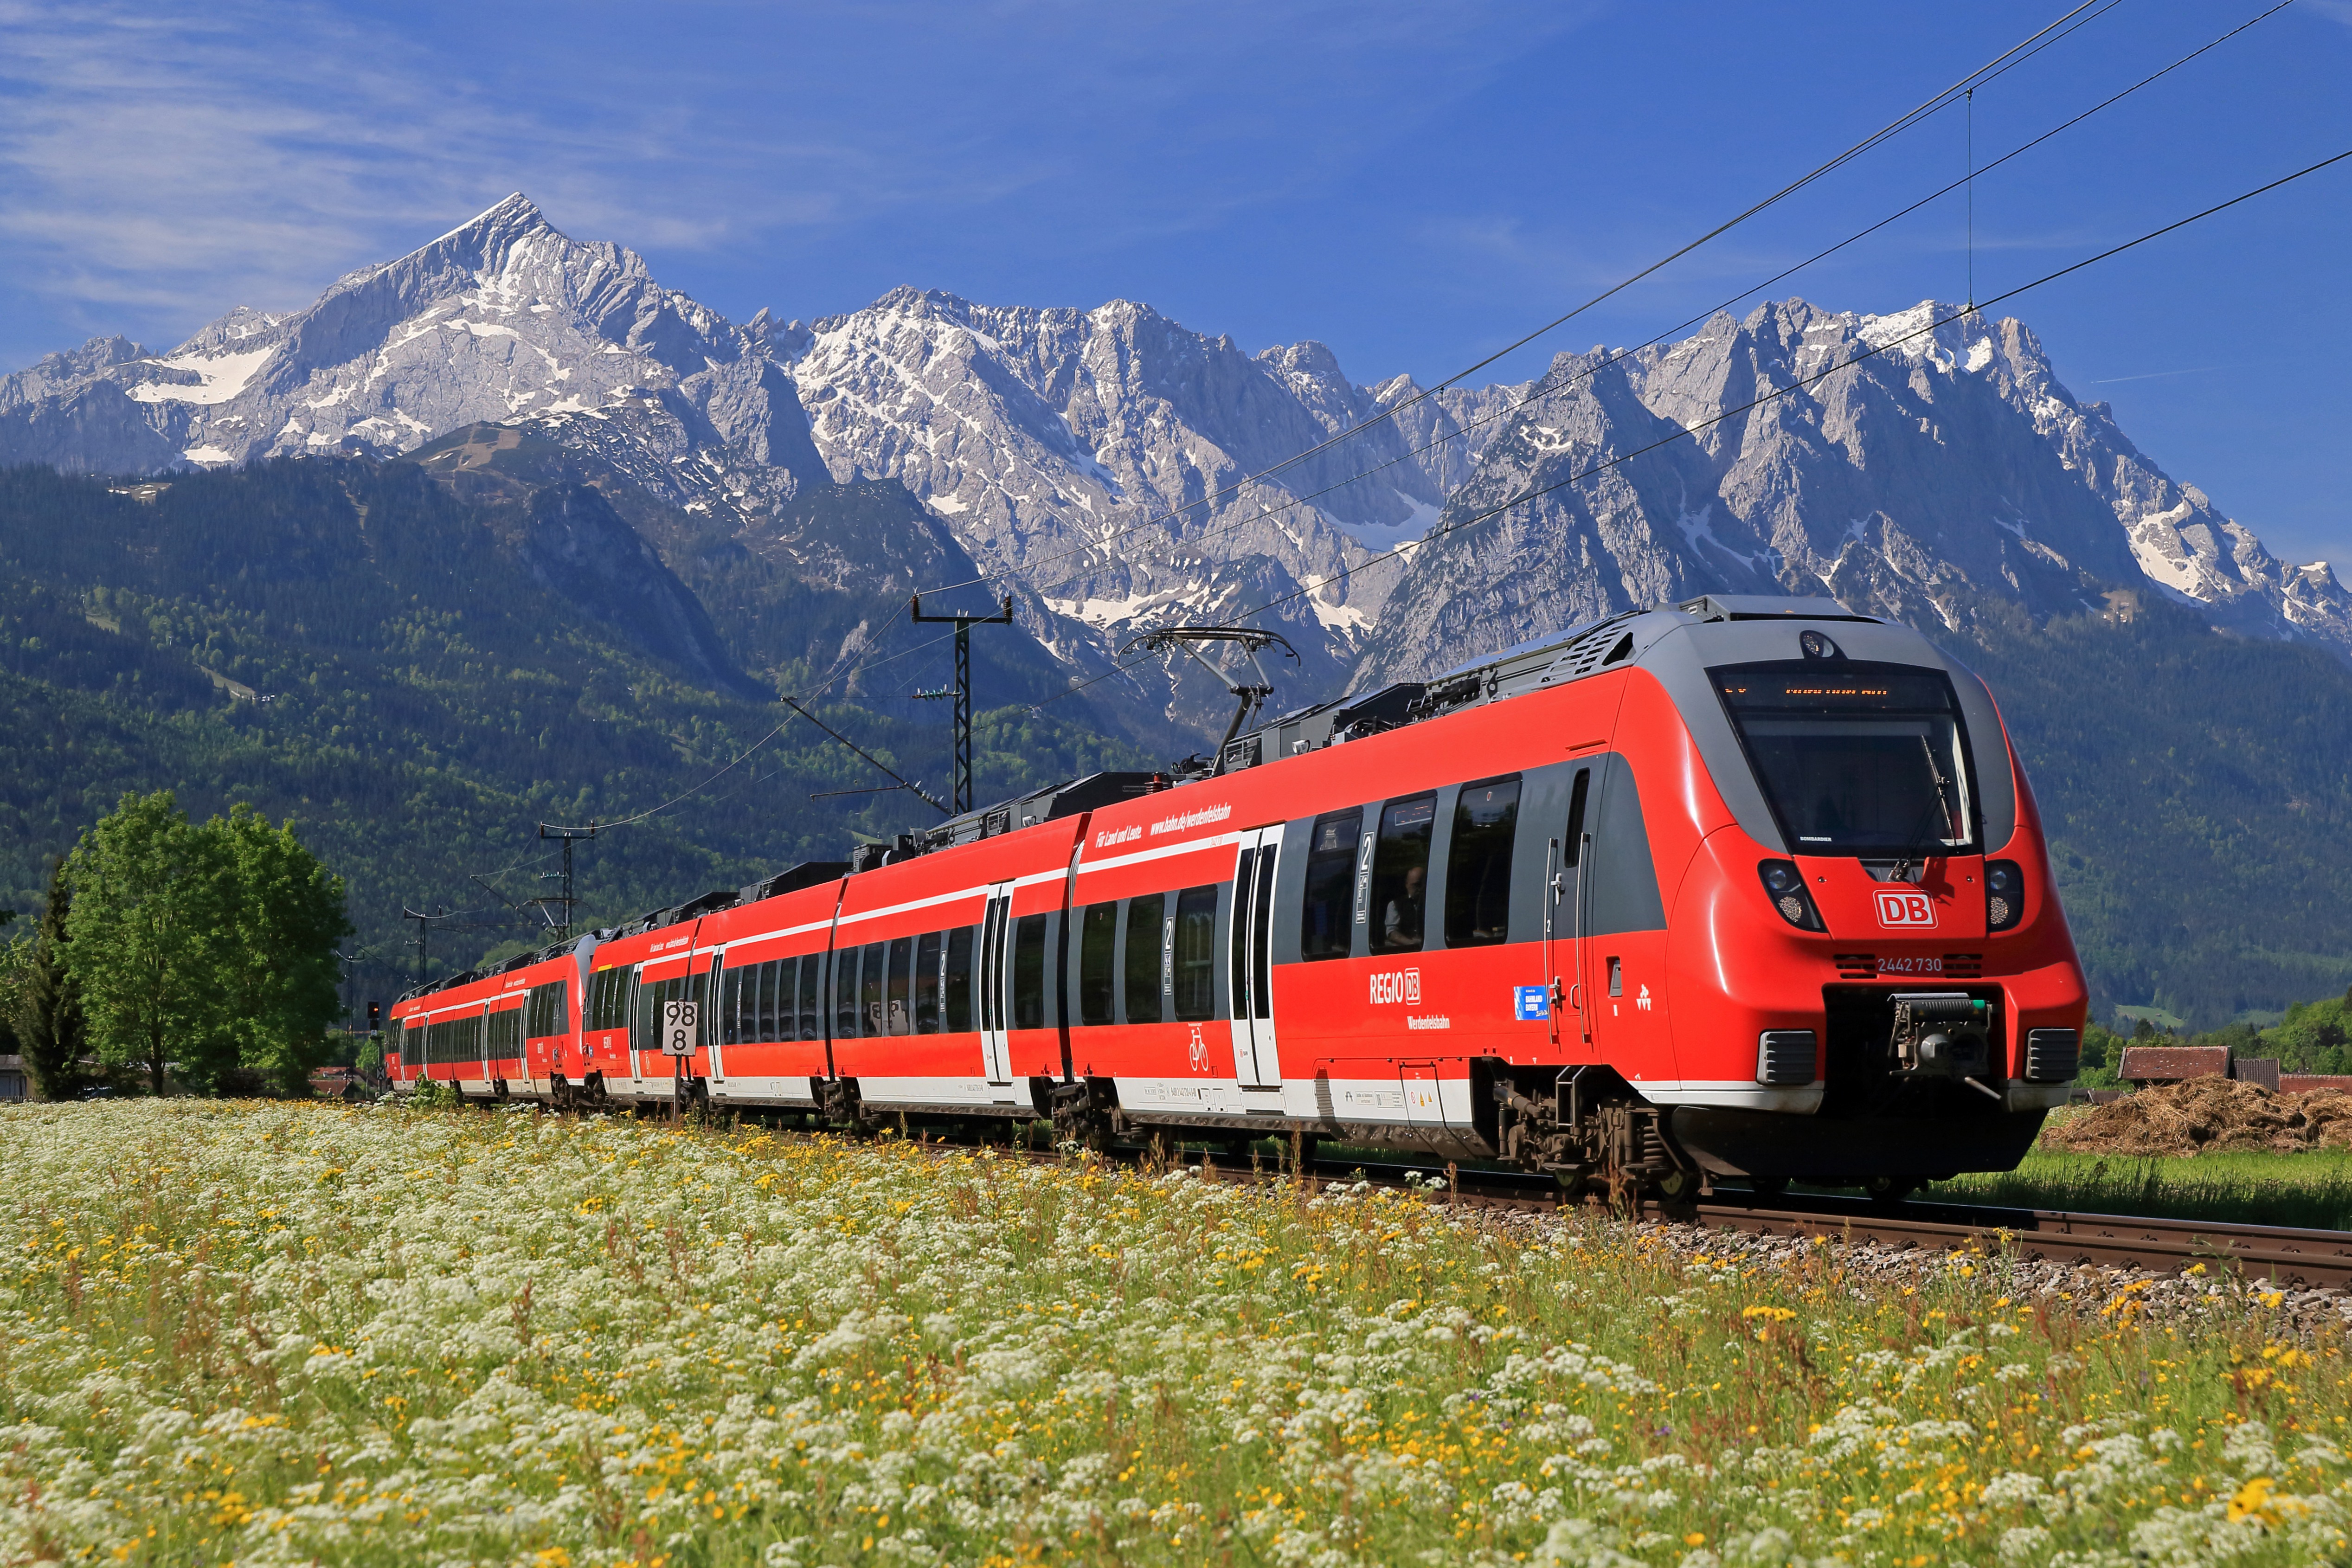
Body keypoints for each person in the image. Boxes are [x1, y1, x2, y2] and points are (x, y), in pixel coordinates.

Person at [1382, 865, 1425, 951]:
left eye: (1422, 885)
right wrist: (1412, 943)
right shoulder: (1395, 905)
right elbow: (1392, 933)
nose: (1420, 889)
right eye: (1416, 885)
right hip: (1407, 950)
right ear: (1407, 884)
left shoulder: (1431, 903)